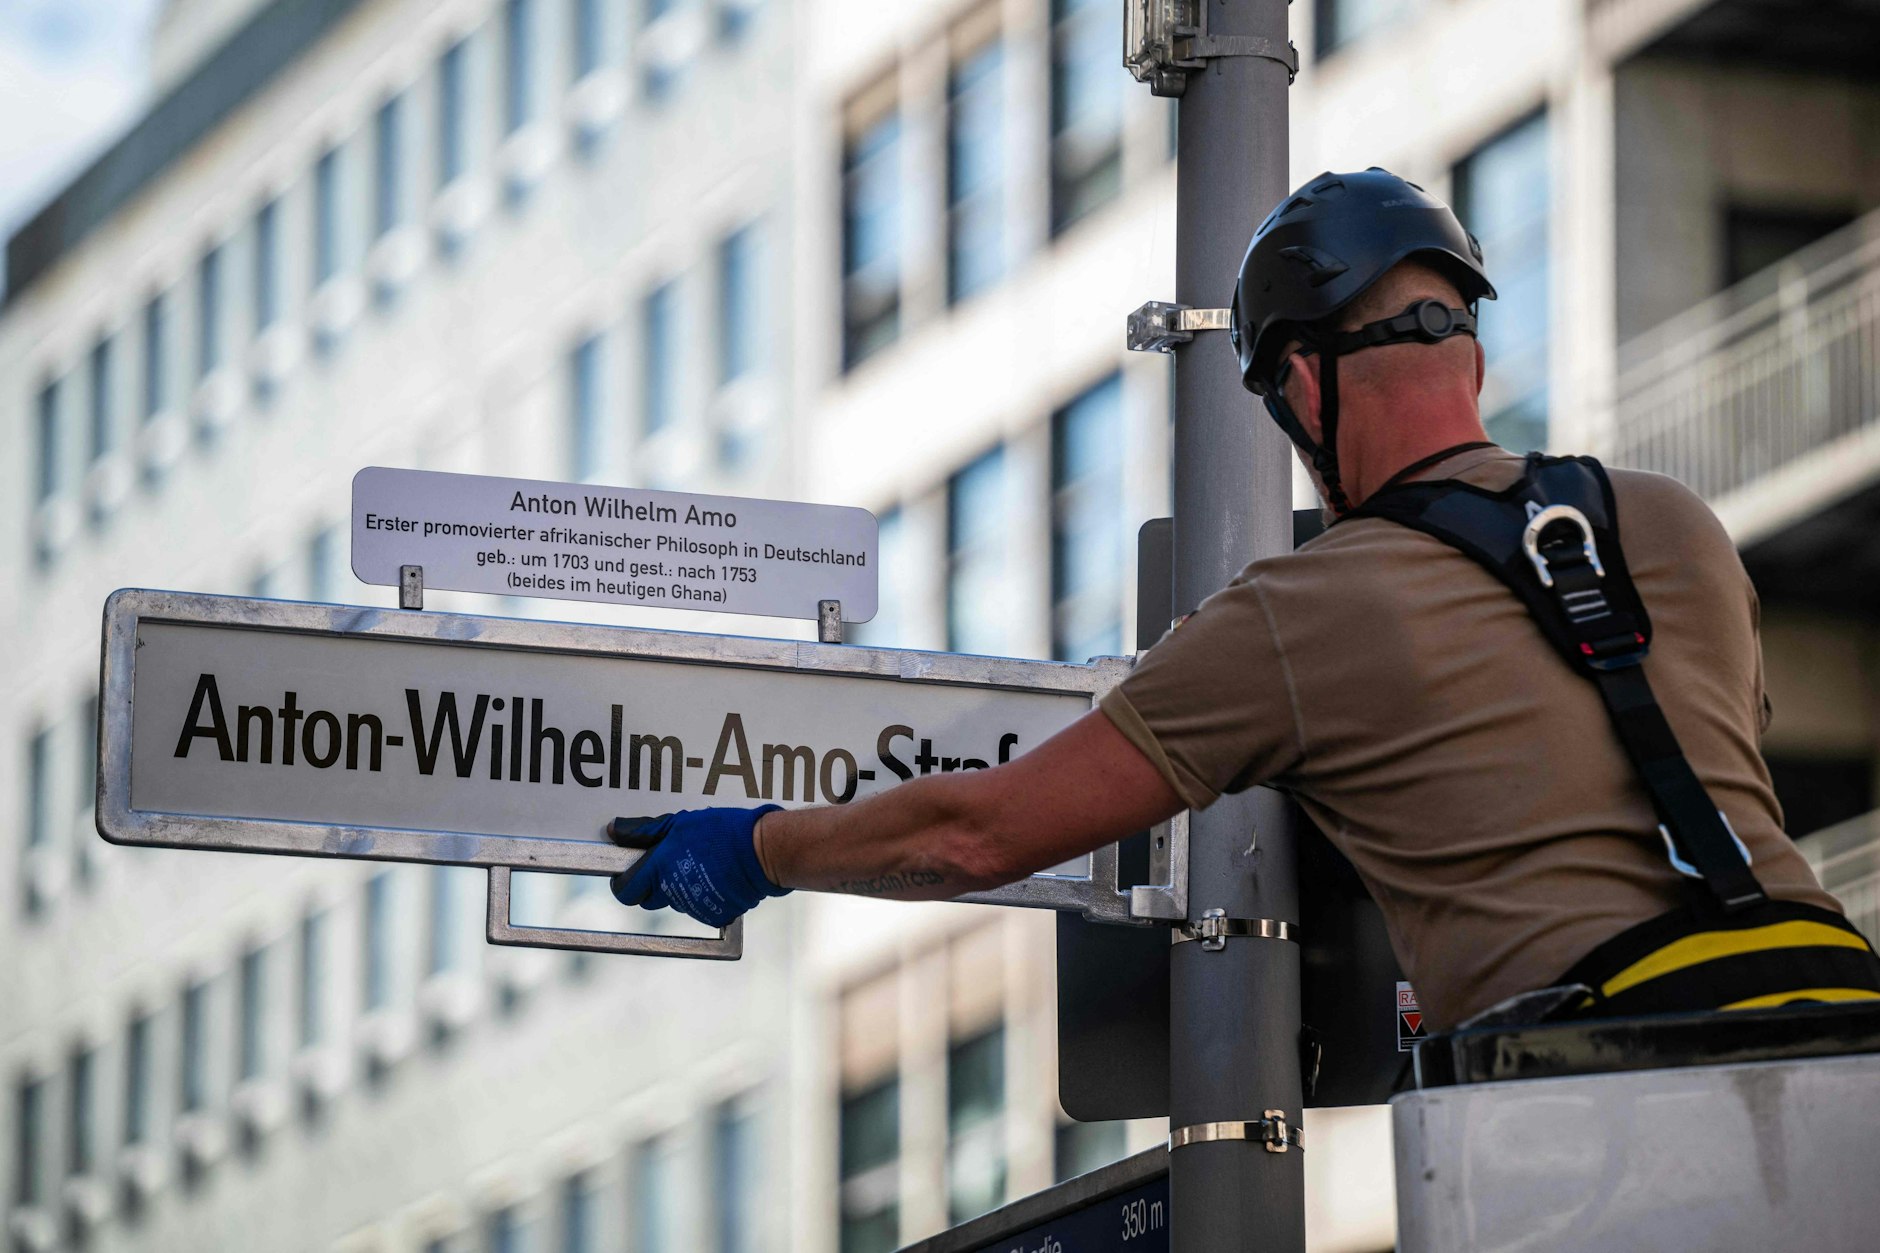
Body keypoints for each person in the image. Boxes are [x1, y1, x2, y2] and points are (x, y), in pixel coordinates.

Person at [610, 168, 1880, 1034]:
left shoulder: (1302, 610)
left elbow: (973, 833)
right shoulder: (1672, 522)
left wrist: (761, 845)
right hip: (1829, 1010)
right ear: (1470, 352)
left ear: (1301, 387)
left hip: (1596, 1081)